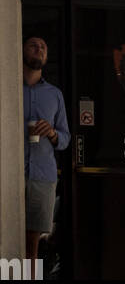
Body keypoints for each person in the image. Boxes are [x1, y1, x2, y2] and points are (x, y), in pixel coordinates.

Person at [22, 37, 69, 264]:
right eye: (33, 45)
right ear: (22, 50)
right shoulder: (9, 88)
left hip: (42, 176)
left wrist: (52, 133)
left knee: (32, 245)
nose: (39, 49)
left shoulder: (55, 95)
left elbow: (66, 138)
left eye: (43, 47)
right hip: (11, 174)